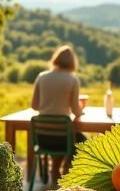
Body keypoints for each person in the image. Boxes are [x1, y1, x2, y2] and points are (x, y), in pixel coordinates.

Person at [31, 45, 87, 180]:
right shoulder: (73, 80)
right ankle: (67, 172)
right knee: (81, 140)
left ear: (55, 59)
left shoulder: (41, 76)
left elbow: (35, 106)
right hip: (63, 138)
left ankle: (55, 170)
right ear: (72, 62)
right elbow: (75, 110)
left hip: (42, 138)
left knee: (64, 136)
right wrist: (81, 108)